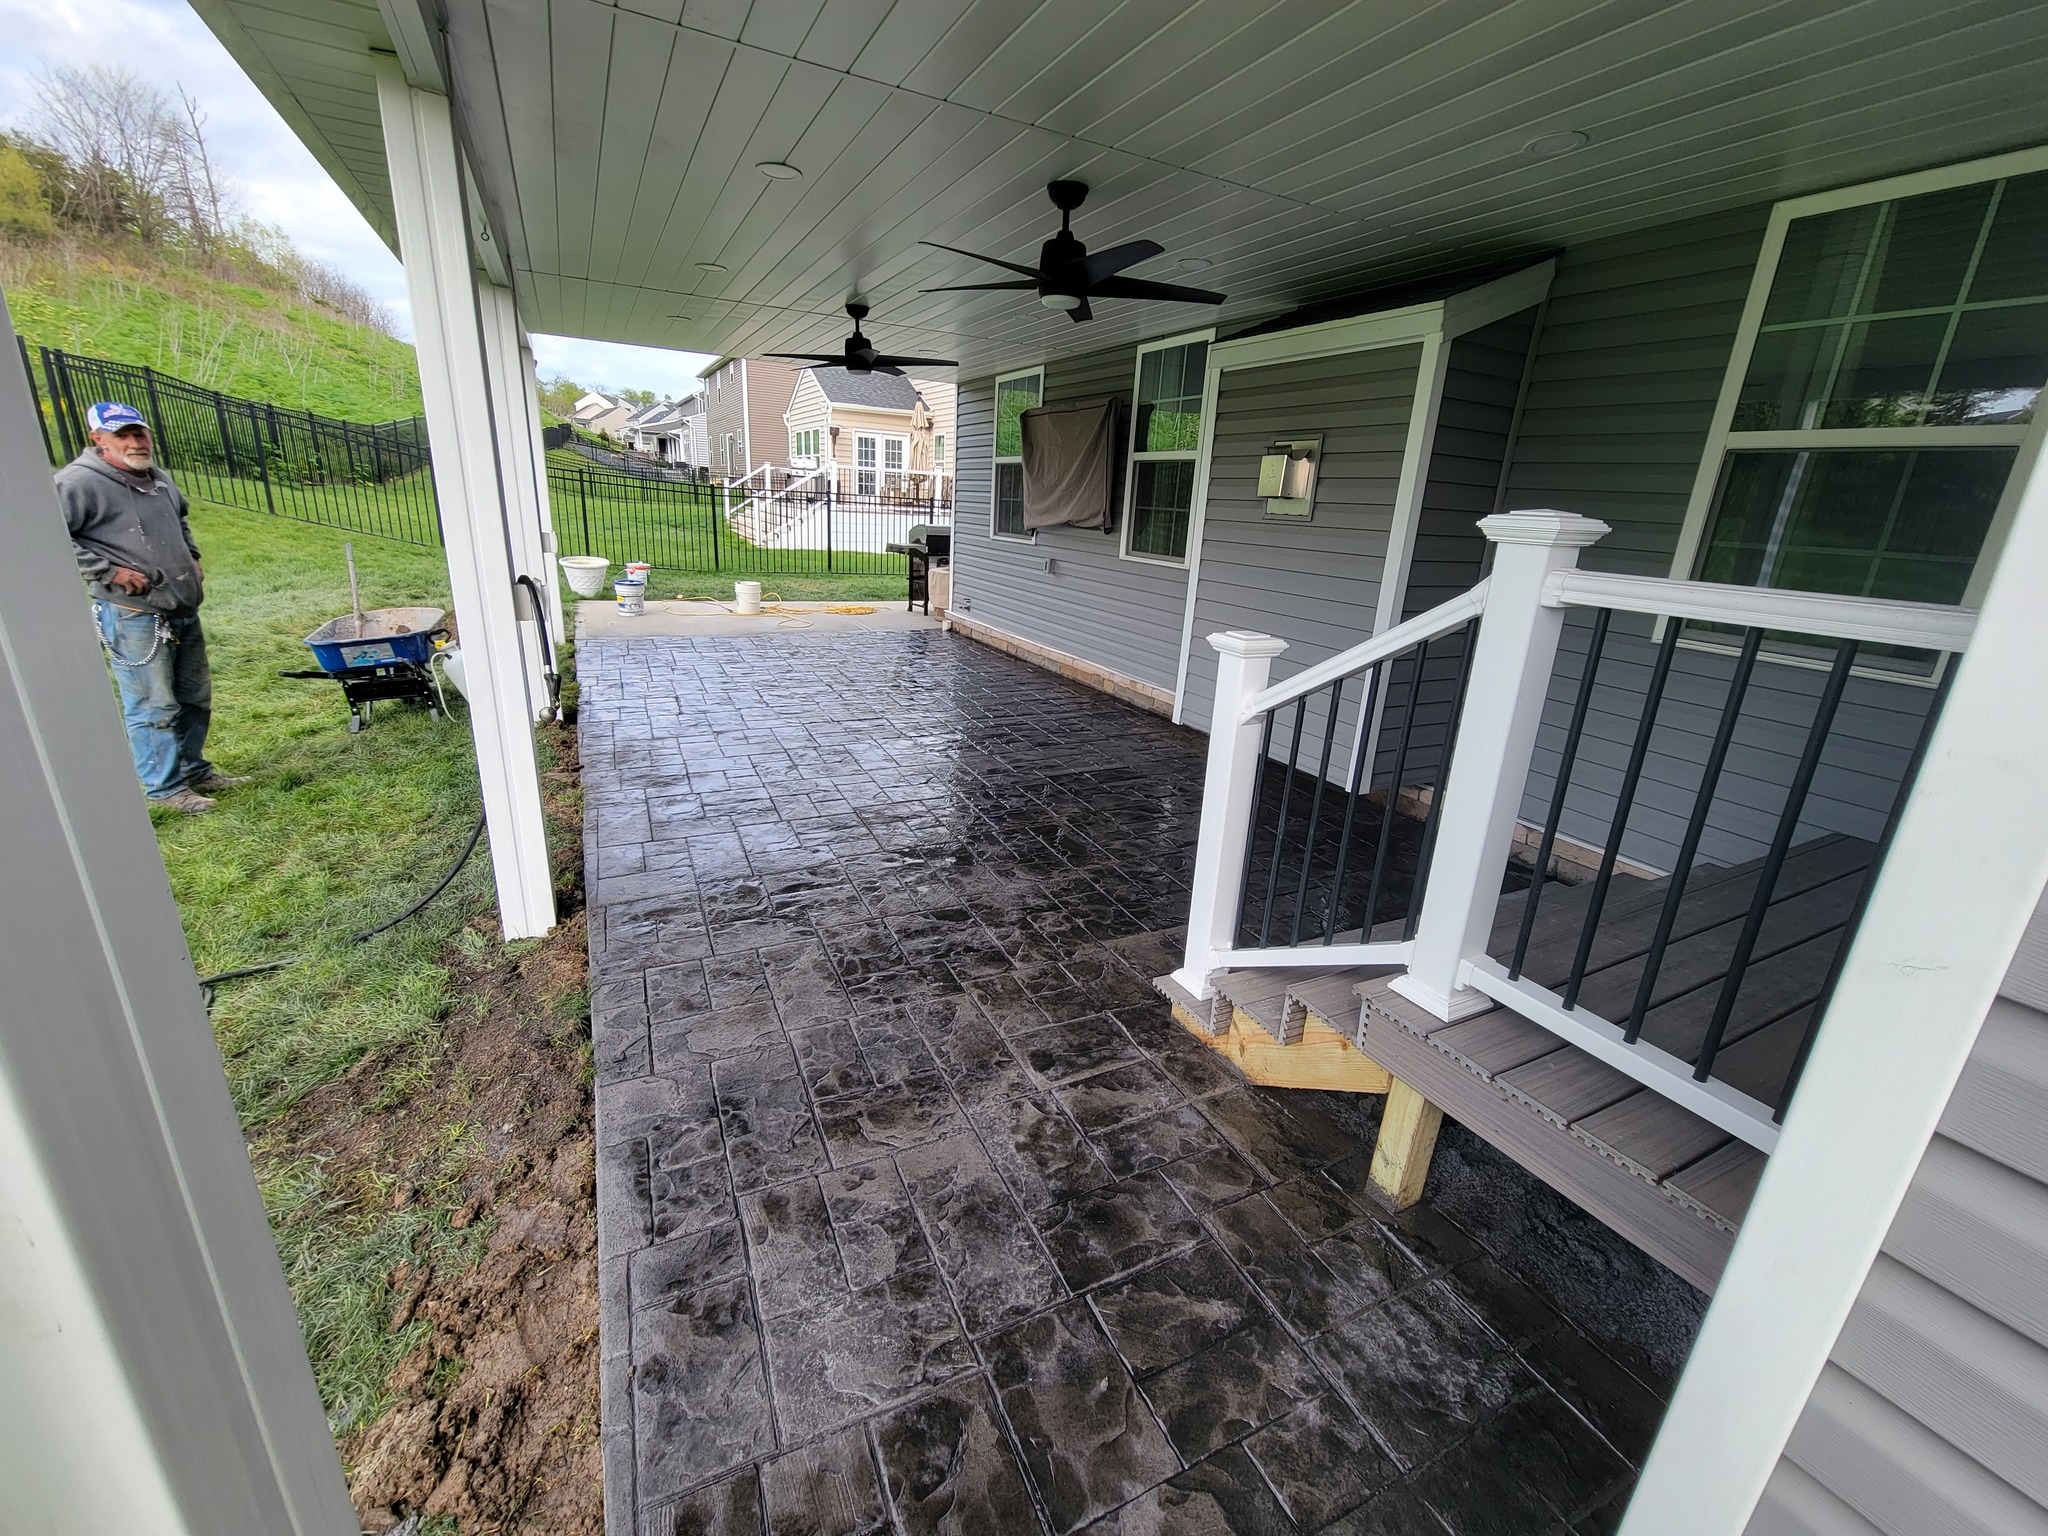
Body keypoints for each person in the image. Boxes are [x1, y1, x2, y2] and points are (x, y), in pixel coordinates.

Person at [56, 401, 247, 814]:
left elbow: (180, 520)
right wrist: (107, 570)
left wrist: (193, 557)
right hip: (132, 614)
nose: (134, 442)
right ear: (98, 439)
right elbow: (50, 536)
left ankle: (194, 770)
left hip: (180, 604)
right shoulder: (76, 483)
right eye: (122, 435)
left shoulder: (156, 478)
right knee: (152, 704)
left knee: (193, 696)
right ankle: (165, 788)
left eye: (139, 433)